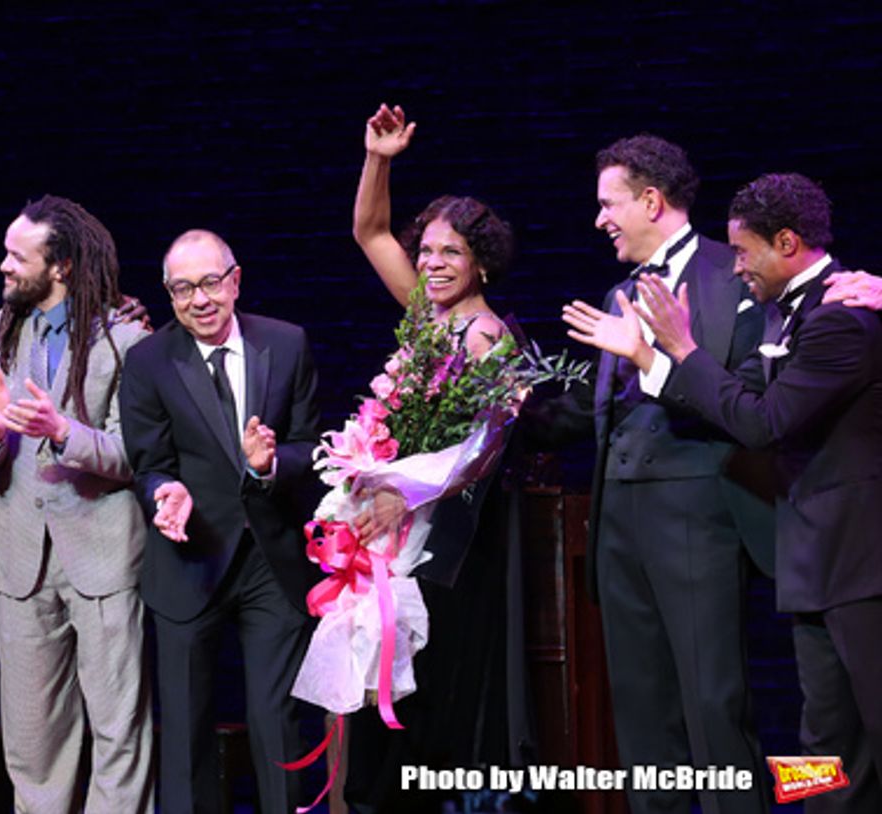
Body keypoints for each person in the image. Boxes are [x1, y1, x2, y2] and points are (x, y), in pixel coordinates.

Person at [565, 172, 882, 812]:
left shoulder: (840, 316)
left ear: (786, 242)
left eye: (743, 252)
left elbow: (762, 421)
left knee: (864, 728)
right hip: (813, 561)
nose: (735, 267)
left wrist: (677, 350)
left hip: (859, 561)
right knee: (821, 741)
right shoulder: (788, 307)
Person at [526, 135, 773, 814]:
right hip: (618, 522)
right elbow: (590, 411)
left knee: (712, 703)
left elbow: (745, 402)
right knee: (639, 711)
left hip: (696, 515)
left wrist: (651, 358)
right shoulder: (619, 291)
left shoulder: (736, 277)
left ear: (652, 201)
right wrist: (507, 413)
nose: (600, 219)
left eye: (609, 205)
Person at [341, 103, 528, 812]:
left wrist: (406, 496)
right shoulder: (426, 315)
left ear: (480, 260)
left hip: (449, 542)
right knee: (382, 682)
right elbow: (370, 229)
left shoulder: (486, 337)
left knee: (429, 691)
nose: (431, 263)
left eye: (450, 253)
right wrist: (379, 158)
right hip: (396, 536)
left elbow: (480, 452)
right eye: (428, 252)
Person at [0, 195, 154, 813]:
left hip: (101, 556)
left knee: (118, 733)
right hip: (20, 560)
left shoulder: (125, 339)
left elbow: (136, 455)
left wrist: (63, 431)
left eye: (18, 257)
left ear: (62, 266)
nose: (4, 267)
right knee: (31, 740)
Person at [119, 228, 321, 814]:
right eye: (183, 289)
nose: (199, 300)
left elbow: (312, 448)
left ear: (235, 280)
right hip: (190, 557)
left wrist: (269, 465)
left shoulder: (285, 345)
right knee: (184, 727)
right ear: (168, 294)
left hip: (270, 561)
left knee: (275, 716)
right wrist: (165, 493)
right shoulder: (149, 360)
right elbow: (148, 462)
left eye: (210, 283)